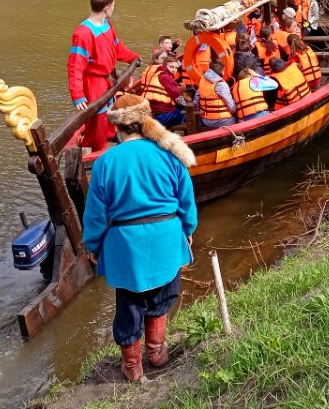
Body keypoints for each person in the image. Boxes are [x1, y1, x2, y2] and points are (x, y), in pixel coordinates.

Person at [82, 94, 196, 383]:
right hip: (166, 237)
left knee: (130, 305)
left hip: (126, 247)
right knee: (163, 296)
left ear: (117, 129)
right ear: (144, 121)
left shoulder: (105, 163)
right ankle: (156, 354)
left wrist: (93, 247)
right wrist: (188, 230)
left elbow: (94, 215)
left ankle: (132, 367)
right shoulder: (169, 154)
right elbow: (186, 201)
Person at [68, 0, 140, 152]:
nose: (114, 9)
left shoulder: (107, 25)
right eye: (113, 6)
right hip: (93, 83)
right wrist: (78, 96)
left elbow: (116, 47)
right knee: (97, 120)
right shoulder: (83, 33)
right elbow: (75, 66)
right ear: (106, 8)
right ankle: (94, 152)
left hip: (106, 80)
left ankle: (106, 142)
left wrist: (133, 57)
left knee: (108, 116)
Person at [139, 53, 186, 127]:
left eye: (176, 68)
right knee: (186, 114)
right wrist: (187, 106)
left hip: (155, 113)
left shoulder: (159, 73)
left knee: (180, 108)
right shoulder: (165, 76)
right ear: (164, 66)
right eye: (171, 67)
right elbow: (177, 95)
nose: (174, 70)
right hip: (162, 116)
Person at [195, 60, 236, 128]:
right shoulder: (221, 84)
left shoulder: (202, 81)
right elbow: (231, 106)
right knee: (237, 118)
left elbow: (196, 100)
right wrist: (235, 111)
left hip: (206, 120)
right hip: (222, 121)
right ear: (221, 70)